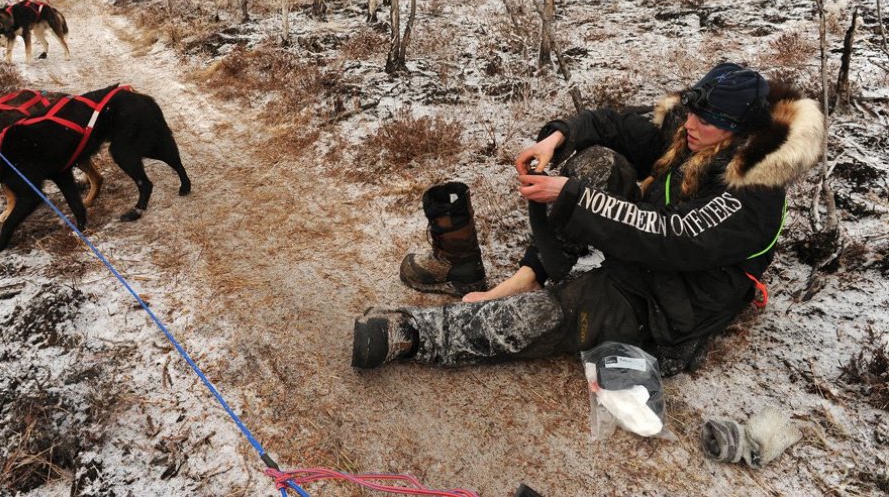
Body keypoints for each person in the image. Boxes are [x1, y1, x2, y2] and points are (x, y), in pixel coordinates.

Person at [352, 63, 824, 376]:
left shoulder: (755, 192)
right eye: (691, 114)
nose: (689, 126)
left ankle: (411, 334)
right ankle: (529, 275)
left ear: (740, 130)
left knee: (558, 314)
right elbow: (612, 124)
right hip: (644, 247)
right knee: (599, 159)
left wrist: (573, 197)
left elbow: (672, 236)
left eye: (706, 120)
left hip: (673, 299)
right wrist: (555, 139)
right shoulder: (693, 133)